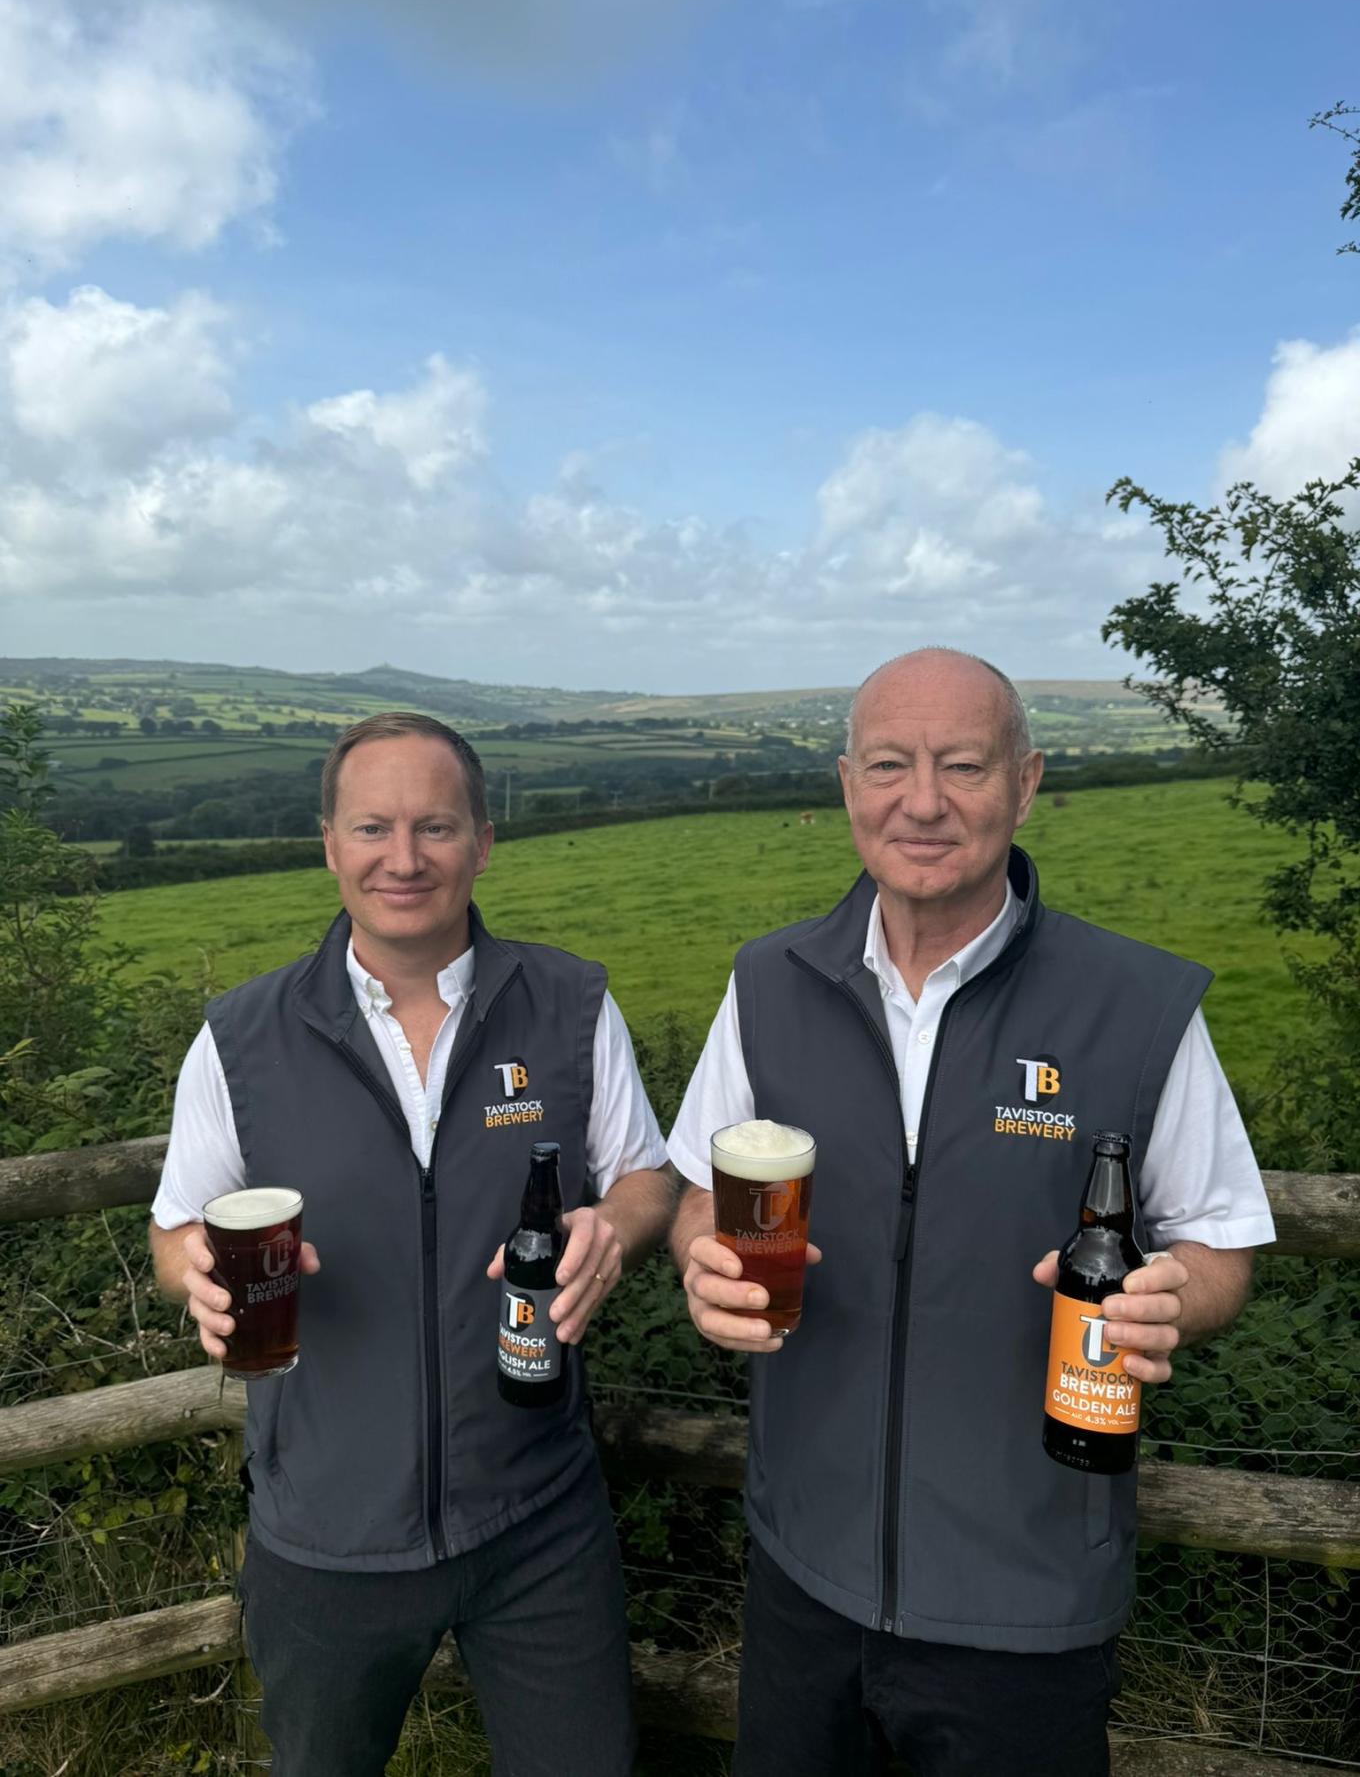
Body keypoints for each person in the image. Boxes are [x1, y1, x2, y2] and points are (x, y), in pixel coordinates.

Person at [668, 648, 1275, 1777]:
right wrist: (700, 1251)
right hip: (803, 1571)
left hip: (1027, 1599)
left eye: (963, 764)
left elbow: (1221, 1243)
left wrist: (1165, 1301)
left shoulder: (1136, 1004)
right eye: (891, 764)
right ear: (848, 783)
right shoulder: (766, 982)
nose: (924, 800)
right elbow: (700, 1195)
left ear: (1026, 780)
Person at [150, 712, 675, 1777]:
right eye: (373, 827)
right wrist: (197, 1277)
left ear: (483, 840)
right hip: (322, 1532)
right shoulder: (241, 1036)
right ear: (329, 843)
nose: (404, 858)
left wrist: (613, 1229)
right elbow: (176, 1226)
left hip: (538, 1518)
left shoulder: (569, 1004)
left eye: (435, 826)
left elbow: (648, 1176)